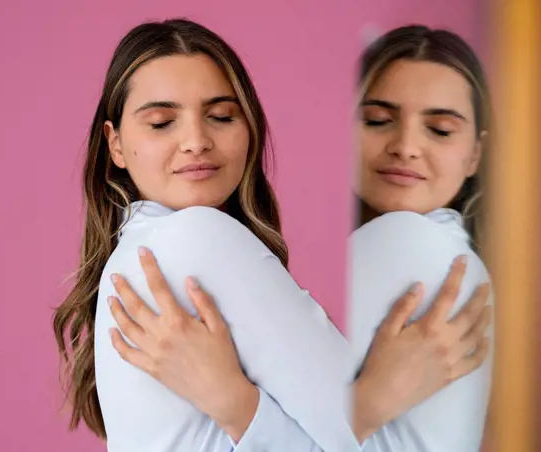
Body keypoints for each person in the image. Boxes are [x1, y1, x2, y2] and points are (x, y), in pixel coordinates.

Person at [53, 20, 491, 452]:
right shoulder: (199, 235)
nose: (196, 140)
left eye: (221, 116)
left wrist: (236, 404)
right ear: (115, 144)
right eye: (162, 122)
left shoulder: (131, 255)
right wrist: (240, 403)